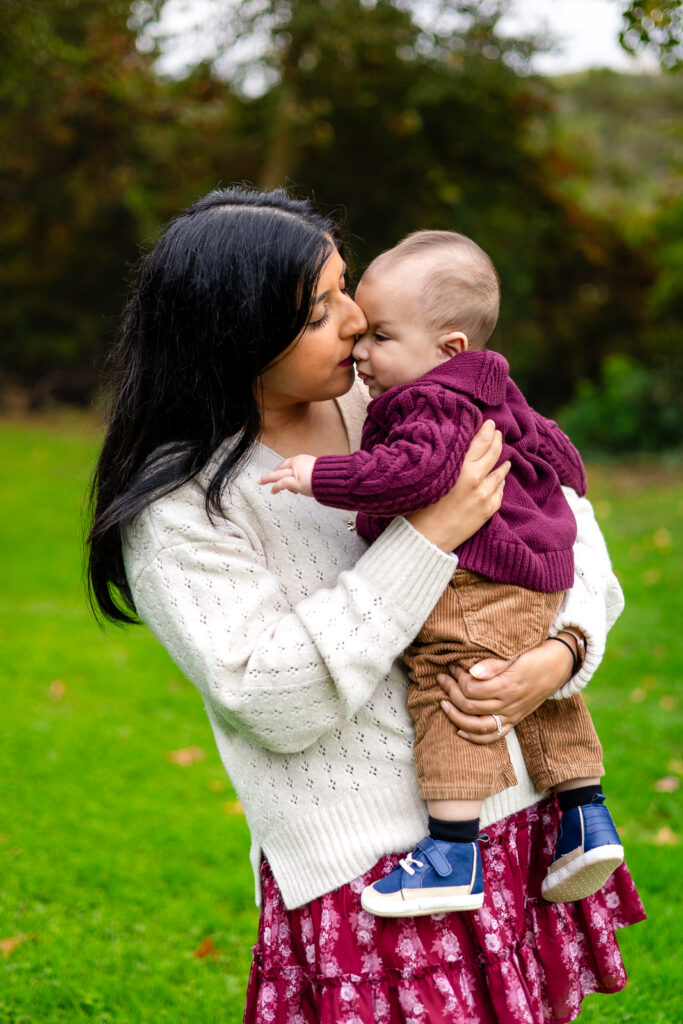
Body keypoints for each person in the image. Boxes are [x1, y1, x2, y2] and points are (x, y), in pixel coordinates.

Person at [87, 187, 644, 1024]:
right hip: (369, 870)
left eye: (344, 287)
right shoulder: (185, 508)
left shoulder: (399, 401)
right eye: (320, 310)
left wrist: (560, 655)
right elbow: (273, 699)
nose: (354, 320)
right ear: (237, 333)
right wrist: (426, 539)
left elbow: (567, 523)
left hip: (515, 813)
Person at [259, 230, 624, 919]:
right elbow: (551, 446)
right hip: (532, 570)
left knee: (450, 685)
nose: (360, 348)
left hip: (477, 574)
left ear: (448, 347)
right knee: (533, 690)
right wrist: (562, 482)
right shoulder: (489, 385)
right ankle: (585, 814)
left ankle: (452, 852)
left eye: (379, 336)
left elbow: (411, 471)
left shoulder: (424, 401)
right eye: (339, 321)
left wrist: (319, 476)